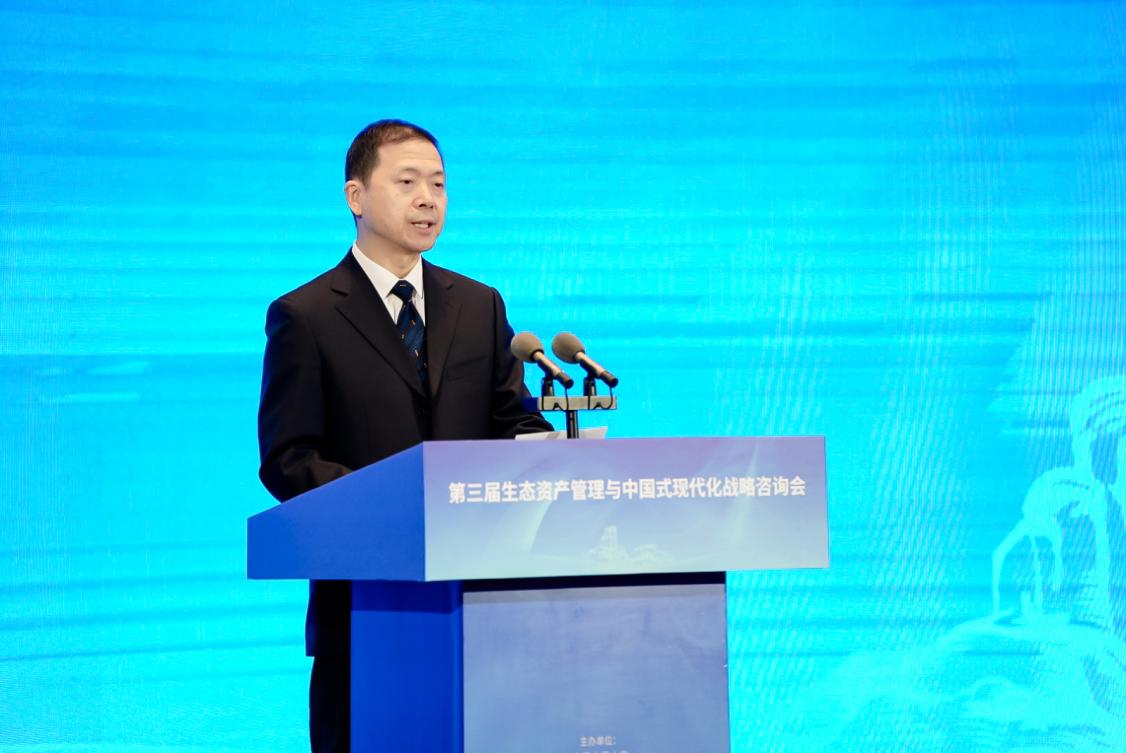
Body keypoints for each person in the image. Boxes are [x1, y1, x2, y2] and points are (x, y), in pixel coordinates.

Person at [256, 119, 552, 753]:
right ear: (356, 196)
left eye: (438, 185)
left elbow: (517, 420)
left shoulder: (479, 305)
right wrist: (398, 506)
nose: (427, 200)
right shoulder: (305, 316)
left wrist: (541, 456)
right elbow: (289, 459)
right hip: (363, 610)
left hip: (481, 602)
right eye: (408, 182)